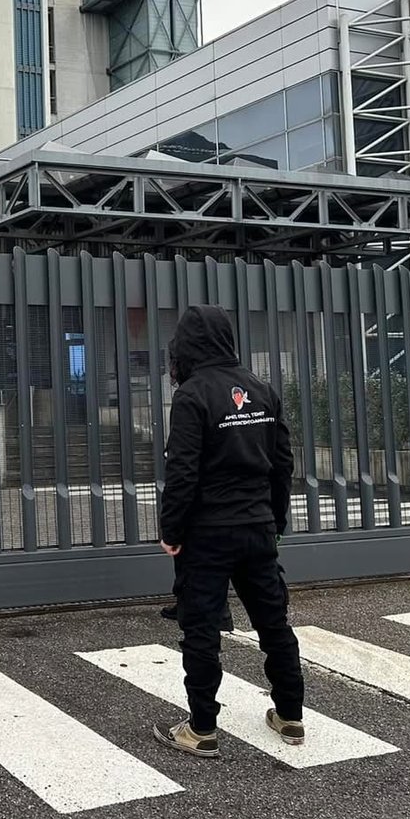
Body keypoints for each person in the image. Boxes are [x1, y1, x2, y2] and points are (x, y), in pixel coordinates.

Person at [154, 304, 303, 758]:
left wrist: (171, 529)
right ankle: (290, 715)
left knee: (201, 628)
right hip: (257, 527)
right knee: (273, 623)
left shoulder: (192, 395)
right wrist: (275, 521)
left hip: (208, 533)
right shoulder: (261, 389)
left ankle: (201, 728)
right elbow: (282, 463)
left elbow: (183, 470)